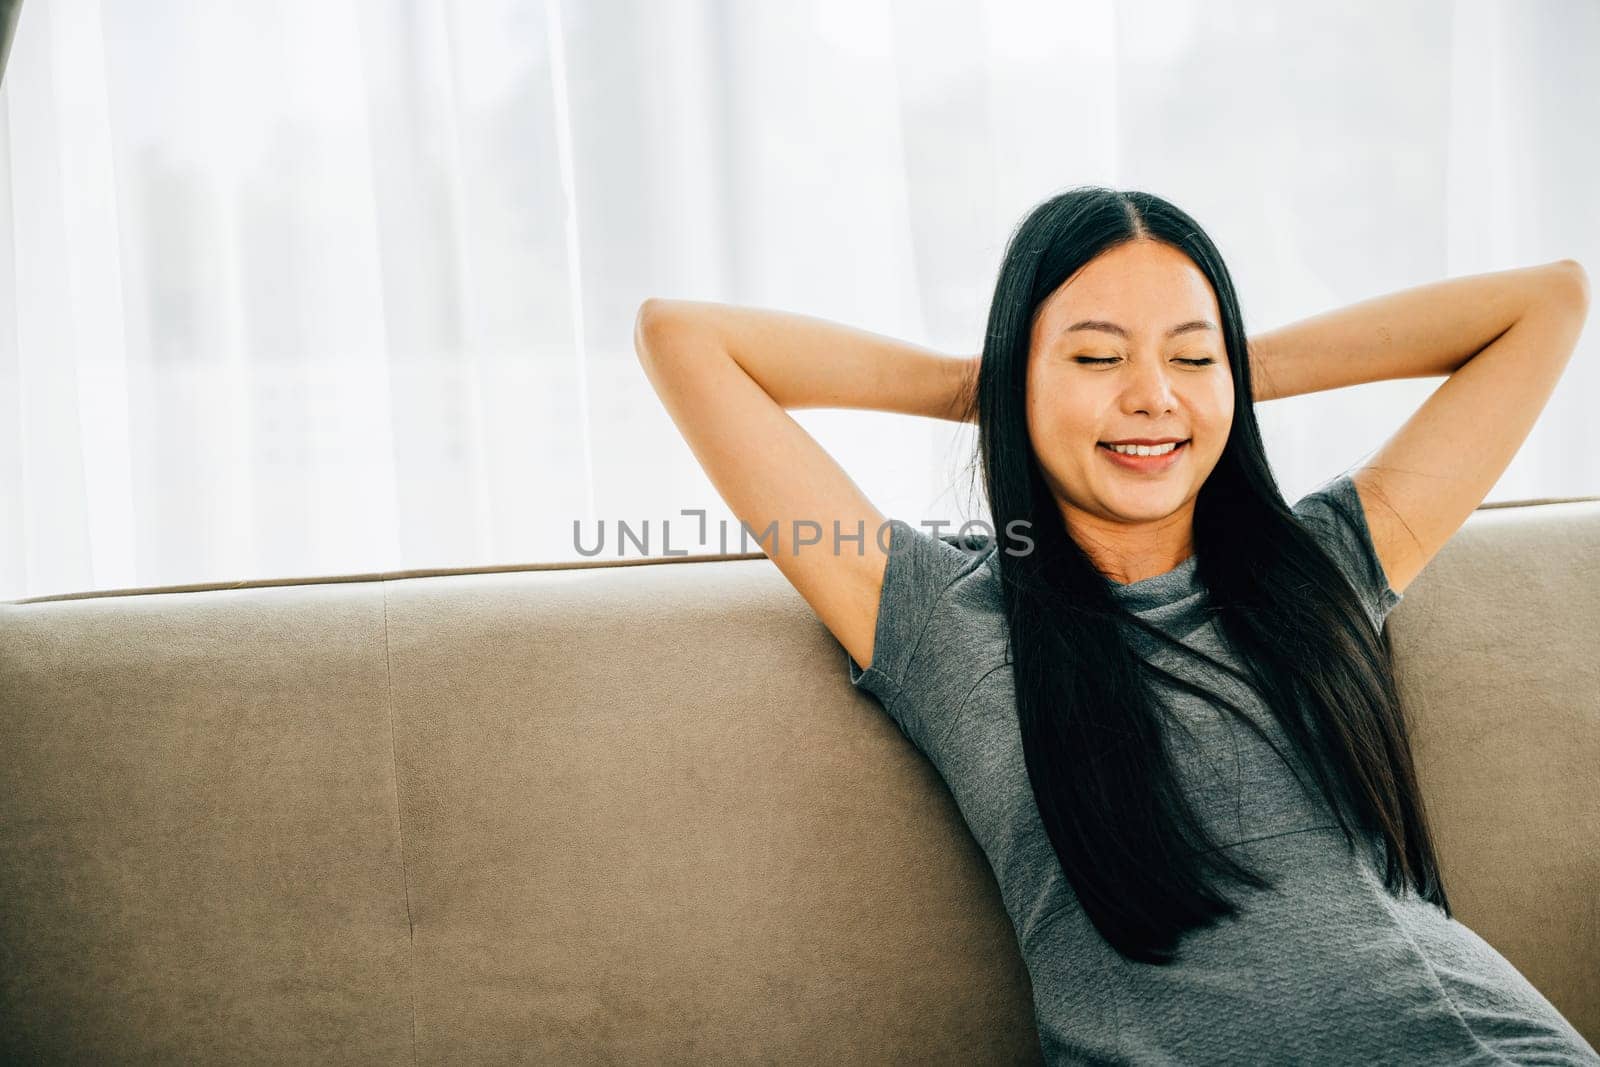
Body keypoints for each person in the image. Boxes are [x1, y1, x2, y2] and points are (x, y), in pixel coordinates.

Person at [633, 185, 1597, 1065]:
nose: (1152, 395)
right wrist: (989, 385)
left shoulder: (1320, 564)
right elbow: (682, 337)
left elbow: (1547, 303)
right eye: (1095, 356)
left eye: (1190, 355)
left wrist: (1208, 368)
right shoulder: (945, 617)